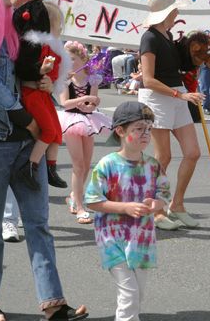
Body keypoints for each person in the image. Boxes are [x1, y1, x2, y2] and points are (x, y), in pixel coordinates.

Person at [0, 0, 88, 321]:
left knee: (38, 223)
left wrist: (45, 83)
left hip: (24, 142)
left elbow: (30, 71)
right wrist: (29, 121)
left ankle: (54, 304)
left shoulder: (16, 30)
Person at [85, 101, 170, 321]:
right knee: (130, 292)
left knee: (138, 291)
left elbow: (164, 194)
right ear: (121, 131)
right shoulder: (107, 164)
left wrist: (155, 205)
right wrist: (125, 207)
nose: (146, 134)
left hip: (142, 238)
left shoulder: (153, 165)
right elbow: (92, 201)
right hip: (112, 237)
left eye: (149, 129)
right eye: (139, 128)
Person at [2, 0, 66, 242]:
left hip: (29, 97)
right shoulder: (1, 18)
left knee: (41, 144)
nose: (43, 5)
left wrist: (48, 82)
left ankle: (37, 222)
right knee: (8, 161)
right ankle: (8, 221)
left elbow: (44, 66)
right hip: (4, 106)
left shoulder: (35, 21)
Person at [138, 0, 204, 230]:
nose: (177, 12)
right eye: (175, 8)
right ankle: (156, 212)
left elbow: (177, 68)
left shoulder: (166, 34)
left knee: (193, 152)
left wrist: (197, 54)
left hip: (175, 96)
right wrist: (181, 94)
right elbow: (148, 79)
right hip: (158, 98)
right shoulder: (150, 38)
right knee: (163, 156)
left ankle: (177, 205)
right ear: (167, 11)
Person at [13, 0, 71, 190]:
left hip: (42, 95)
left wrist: (51, 81)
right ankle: (31, 166)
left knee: (56, 132)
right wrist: (42, 71)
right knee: (49, 131)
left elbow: (52, 74)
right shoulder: (35, 44)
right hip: (32, 94)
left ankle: (51, 167)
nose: (60, 29)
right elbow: (27, 69)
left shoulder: (52, 46)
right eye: (57, 25)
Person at [58, 41, 112, 224]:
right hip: (71, 121)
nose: (69, 62)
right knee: (78, 165)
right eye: (67, 59)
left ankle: (75, 195)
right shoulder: (64, 79)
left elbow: (95, 101)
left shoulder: (93, 78)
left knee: (87, 164)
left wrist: (90, 106)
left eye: (73, 59)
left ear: (82, 58)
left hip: (88, 121)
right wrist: (86, 99)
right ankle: (80, 206)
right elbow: (64, 103)